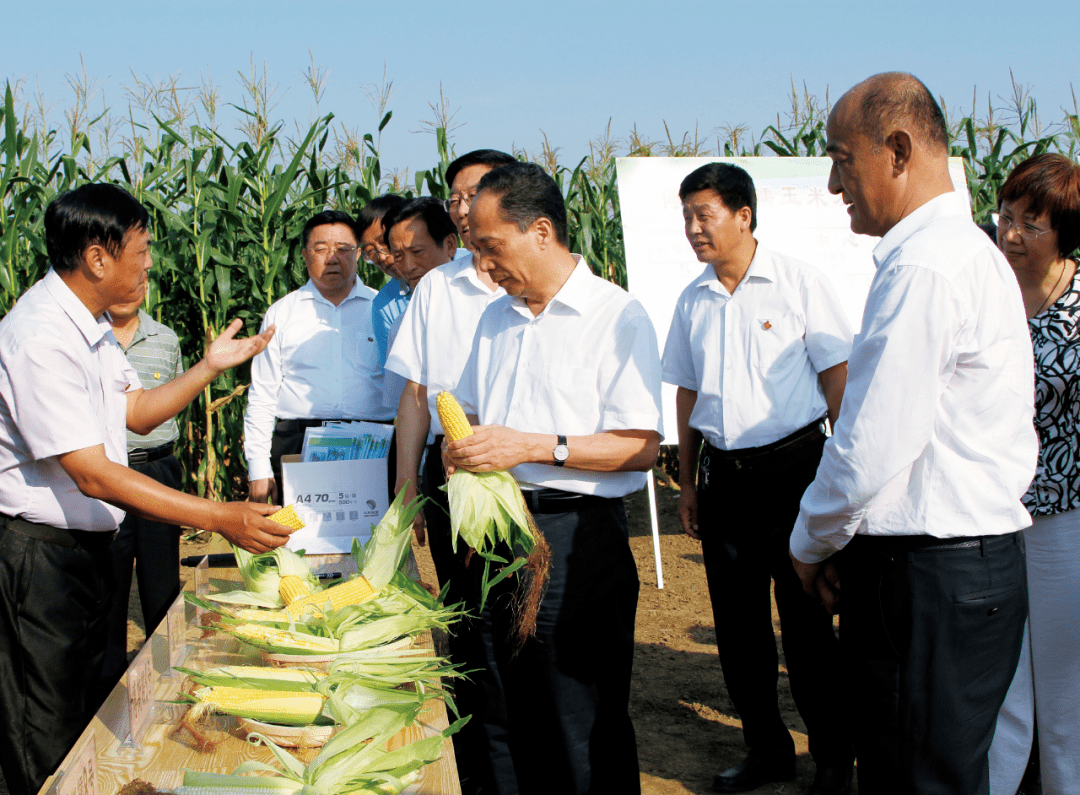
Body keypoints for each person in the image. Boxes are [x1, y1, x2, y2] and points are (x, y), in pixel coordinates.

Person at [788, 73, 1038, 795]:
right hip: (963, 568)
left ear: (896, 150)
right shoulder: (962, 254)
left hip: (930, 576)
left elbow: (869, 447)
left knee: (913, 778)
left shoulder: (925, 266)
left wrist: (810, 543)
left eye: (842, 159)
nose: (836, 184)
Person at [0, 183, 292, 795]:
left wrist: (209, 367)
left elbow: (132, 412)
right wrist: (218, 515)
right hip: (39, 557)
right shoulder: (40, 335)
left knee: (84, 713)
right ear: (98, 257)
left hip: (83, 548)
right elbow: (92, 472)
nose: (151, 265)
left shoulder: (92, 327)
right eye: (142, 251)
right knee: (45, 730)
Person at [447, 162, 664, 795]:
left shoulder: (616, 316)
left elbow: (640, 446)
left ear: (541, 231)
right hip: (496, 533)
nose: (485, 267)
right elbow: (473, 413)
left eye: (492, 247)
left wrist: (533, 445)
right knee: (500, 704)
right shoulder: (495, 319)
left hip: (573, 539)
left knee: (576, 717)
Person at [661, 162, 854, 795]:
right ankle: (767, 750)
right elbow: (688, 395)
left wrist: (842, 476)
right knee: (740, 631)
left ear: (744, 216)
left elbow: (836, 381)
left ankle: (831, 758)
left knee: (806, 627)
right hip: (725, 482)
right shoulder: (692, 301)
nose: (693, 228)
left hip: (796, 472)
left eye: (704, 214)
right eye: (687, 216)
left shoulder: (798, 283)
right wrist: (688, 482)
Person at [384, 149, 514, 794]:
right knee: (468, 624)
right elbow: (415, 393)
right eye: (455, 199)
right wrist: (407, 485)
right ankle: (483, 765)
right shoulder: (438, 287)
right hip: (449, 471)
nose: (462, 210)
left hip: (521, 474)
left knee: (524, 622)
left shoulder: (544, 283)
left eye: (475, 195)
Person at [987, 152, 1080, 795]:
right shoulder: (989, 287)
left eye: (1031, 224)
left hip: (1061, 521)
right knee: (1000, 683)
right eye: (1006, 216)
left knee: (1064, 688)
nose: (1011, 234)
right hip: (990, 512)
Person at [244, 210, 391, 503]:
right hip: (298, 443)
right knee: (300, 543)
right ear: (304, 254)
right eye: (321, 249)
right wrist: (258, 467)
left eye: (343, 249)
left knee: (375, 541)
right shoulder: (281, 314)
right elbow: (262, 394)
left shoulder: (382, 309)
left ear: (359, 253)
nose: (332, 258)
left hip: (373, 446)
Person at [102, 292, 185, 687]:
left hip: (156, 467)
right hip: (103, 475)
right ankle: (109, 685)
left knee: (161, 579)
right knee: (108, 583)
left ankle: (168, 675)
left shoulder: (166, 339)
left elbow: (171, 404)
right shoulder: (88, 339)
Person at [379, 198, 460, 415]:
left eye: (417, 252)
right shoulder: (402, 326)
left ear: (450, 245)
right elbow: (404, 406)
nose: (408, 266)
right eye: (398, 256)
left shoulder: (491, 303)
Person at [360, 194, 408, 369]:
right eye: (370, 251)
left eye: (383, 241)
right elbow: (394, 375)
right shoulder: (384, 304)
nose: (380, 257)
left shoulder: (471, 263)